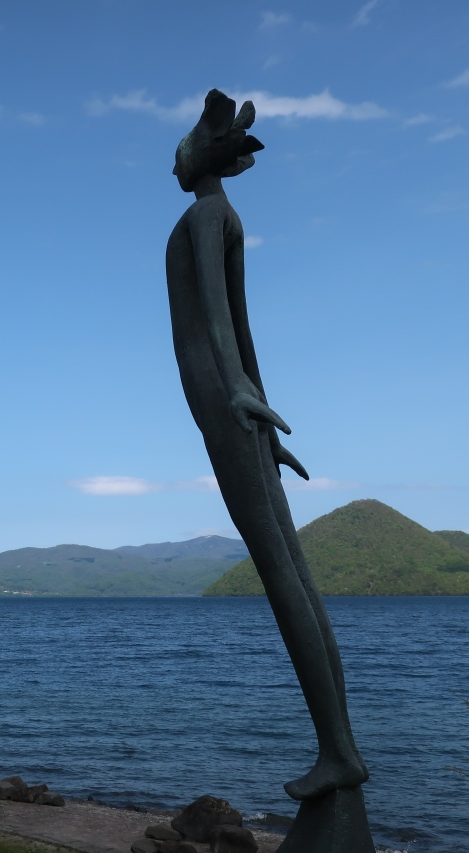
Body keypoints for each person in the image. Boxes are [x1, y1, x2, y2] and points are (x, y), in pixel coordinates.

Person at [164, 89, 368, 801]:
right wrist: (260, 398)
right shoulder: (230, 217)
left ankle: (338, 750)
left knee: (283, 575)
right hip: (241, 403)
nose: (174, 162)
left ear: (201, 155)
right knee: (298, 575)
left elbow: (221, 323)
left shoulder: (201, 216)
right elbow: (244, 331)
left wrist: (240, 399)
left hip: (225, 407)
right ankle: (340, 746)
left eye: (181, 149)